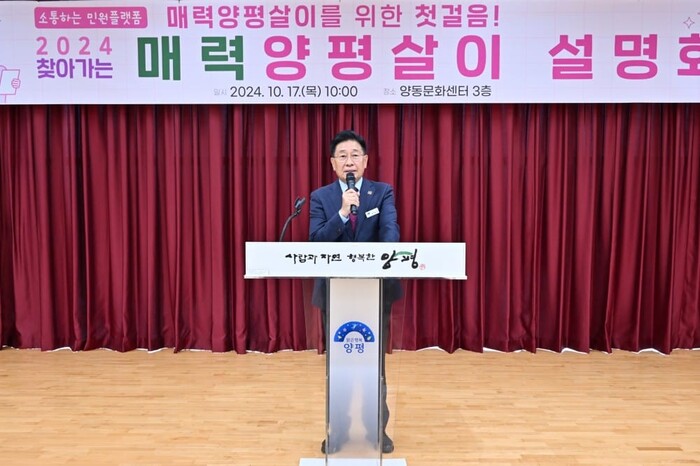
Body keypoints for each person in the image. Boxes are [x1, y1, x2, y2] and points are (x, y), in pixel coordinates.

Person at [309, 129, 402, 455]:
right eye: (342, 156)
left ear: (365, 161)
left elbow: (390, 234)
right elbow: (316, 241)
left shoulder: (382, 193)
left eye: (355, 155)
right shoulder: (321, 197)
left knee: (374, 365)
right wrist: (342, 213)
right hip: (335, 292)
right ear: (333, 164)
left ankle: (378, 429)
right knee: (339, 365)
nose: (349, 161)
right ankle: (338, 430)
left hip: (375, 292)